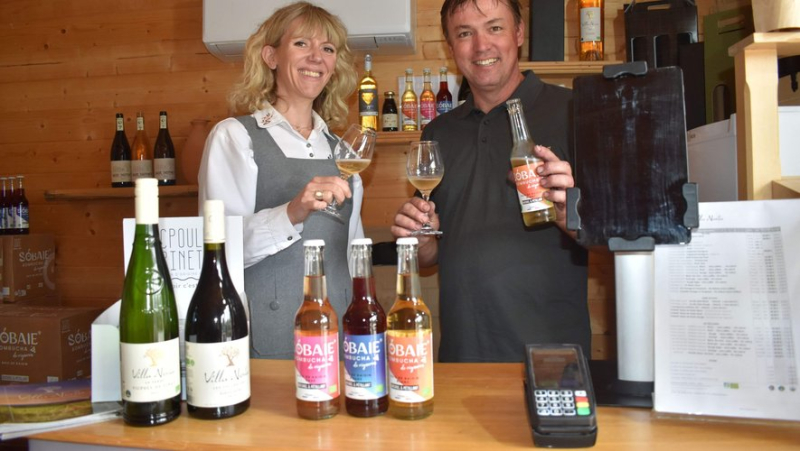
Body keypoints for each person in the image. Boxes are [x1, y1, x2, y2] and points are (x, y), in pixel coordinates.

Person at [391, 0, 591, 362]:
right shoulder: (438, 132)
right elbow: (431, 256)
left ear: (518, 33)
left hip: (553, 357)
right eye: (465, 34)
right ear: (452, 48)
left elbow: (610, 240)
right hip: (460, 356)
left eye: (495, 28)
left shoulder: (575, 111)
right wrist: (419, 241)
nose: (481, 46)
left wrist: (567, 214)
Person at [198, 1, 362, 359]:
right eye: (302, 44)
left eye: (328, 48)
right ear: (270, 56)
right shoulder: (235, 137)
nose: (317, 57)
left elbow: (352, 252)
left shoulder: (345, 153)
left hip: (339, 338)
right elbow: (220, 251)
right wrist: (292, 211)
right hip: (267, 338)